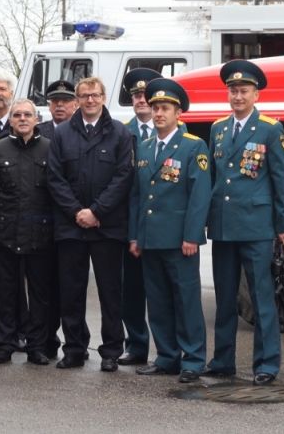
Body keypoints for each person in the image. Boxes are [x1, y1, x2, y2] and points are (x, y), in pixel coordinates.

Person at [205, 59, 284, 386]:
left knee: (261, 297)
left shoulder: (270, 128)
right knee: (225, 298)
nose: (238, 96)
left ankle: (267, 364)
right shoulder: (218, 128)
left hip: (256, 225)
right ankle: (223, 361)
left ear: (256, 95)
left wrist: (283, 223)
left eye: (244, 91)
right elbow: (214, 178)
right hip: (224, 225)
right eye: (233, 91)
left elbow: (282, 177)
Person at [47, 76, 134, 372]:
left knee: (111, 293)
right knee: (71, 292)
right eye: (84, 96)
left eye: (95, 95)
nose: (90, 100)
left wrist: (96, 211)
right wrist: (77, 212)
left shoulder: (120, 133)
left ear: (103, 97)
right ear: (77, 100)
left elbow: (123, 177)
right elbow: (55, 178)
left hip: (107, 226)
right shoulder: (62, 134)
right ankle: (74, 349)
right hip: (71, 227)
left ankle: (111, 351)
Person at [128, 78, 211, 383]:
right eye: (155, 108)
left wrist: (192, 236)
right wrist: (135, 235)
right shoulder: (145, 147)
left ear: (178, 113)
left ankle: (193, 360)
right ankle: (166, 357)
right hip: (150, 238)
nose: (159, 113)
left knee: (186, 301)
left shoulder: (193, 146)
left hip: (179, 240)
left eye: (165, 108)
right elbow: (137, 195)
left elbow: (199, 195)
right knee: (158, 301)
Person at [0, 99, 55, 365]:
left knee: (39, 294)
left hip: (40, 233)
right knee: (5, 293)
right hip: (6, 233)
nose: (22, 119)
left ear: (36, 120)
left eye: (27, 115)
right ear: (10, 120)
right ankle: (5, 345)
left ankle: (37, 346)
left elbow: (54, 190)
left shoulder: (50, 148)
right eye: (17, 115)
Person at [117, 67, 158, 366]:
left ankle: (169, 349)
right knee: (131, 291)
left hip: (162, 225)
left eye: (145, 95)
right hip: (129, 223)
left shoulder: (178, 129)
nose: (141, 100)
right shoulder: (120, 132)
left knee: (163, 292)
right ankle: (136, 345)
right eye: (135, 95)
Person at [35, 79, 77, 358]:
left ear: (75, 104)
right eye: (55, 101)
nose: (60, 105)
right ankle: (46, 340)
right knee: (44, 286)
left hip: (72, 219)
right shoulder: (39, 132)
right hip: (43, 219)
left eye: (65, 100)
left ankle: (76, 341)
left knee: (71, 286)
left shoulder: (82, 131)